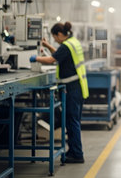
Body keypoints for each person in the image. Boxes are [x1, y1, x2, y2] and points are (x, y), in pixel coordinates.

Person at [29, 21, 88, 163]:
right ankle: (74, 151)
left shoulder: (67, 46)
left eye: (55, 38)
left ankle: (77, 154)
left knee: (71, 122)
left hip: (72, 89)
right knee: (73, 121)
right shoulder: (72, 42)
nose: (55, 41)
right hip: (78, 87)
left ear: (60, 34)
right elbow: (60, 55)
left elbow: (51, 60)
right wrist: (48, 45)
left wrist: (35, 58)